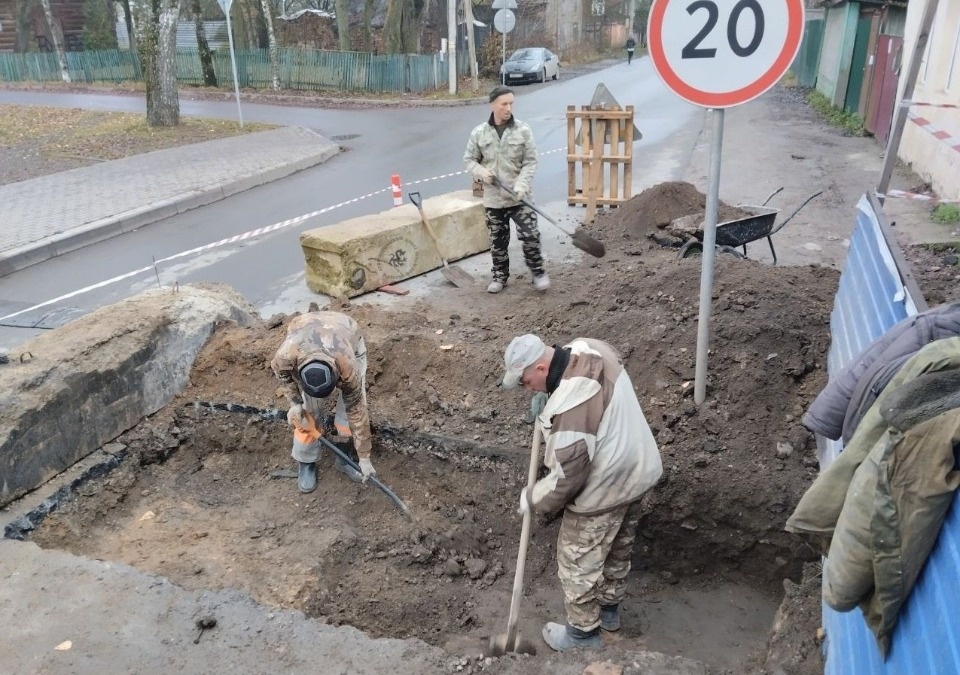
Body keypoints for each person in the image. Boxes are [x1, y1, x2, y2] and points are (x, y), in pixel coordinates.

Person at [501, 334, 663, 651]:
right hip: (638, 468)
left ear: (542, 367)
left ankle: (582, 636)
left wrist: (532, 497)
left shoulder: (571, 408)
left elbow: (567, 479)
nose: (527, 389)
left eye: (525, 382)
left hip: (606, 487)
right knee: (618, 548)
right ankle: (609, 613)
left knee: (576, 561)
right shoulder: (589, 348)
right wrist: (550, 395)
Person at [270, 307, 375, 493]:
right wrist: (295, 403)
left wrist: (365, 458)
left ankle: (344, 456)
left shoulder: (348, 368)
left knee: (347, 412)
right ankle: (306, 461)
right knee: (308, 413)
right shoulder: (286, 356)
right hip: (305, 331)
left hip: (345, 334)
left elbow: (357, 412)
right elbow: (283, 376)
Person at [464, 85, 550, 295]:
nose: (508, 108)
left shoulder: (522, 130)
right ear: (492, 104)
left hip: (520, 198)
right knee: (497, 242)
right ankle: (500, 277)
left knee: (530, 236)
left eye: (511, 103)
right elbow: (469, 160)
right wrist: (482, 173)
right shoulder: (479, 133)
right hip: (494, 199)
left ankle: (538, 273)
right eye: (504, 104)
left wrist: (521, 185)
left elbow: (530, 162)